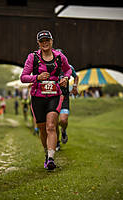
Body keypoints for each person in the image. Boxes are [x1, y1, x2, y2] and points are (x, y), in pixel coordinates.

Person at [20, 30, 72, 170]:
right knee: (42, 129)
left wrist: (65, 78)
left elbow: (68, 70)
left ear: (51, 41)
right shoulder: (33, 57)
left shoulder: (60, 57)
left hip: (55, 95)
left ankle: (50, 158)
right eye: (42, 41)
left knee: (51, 126)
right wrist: (36, 77)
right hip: (37, 96)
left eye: (47, 40)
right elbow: (23, 77)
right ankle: (46, 152)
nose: (45, 43)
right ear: (38, 43)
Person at [55, 50, 79, 151]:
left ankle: (63, 130)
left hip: (64, 97)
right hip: (53, 97)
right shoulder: (50, 67)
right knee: (54, 122)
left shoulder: (68, 67)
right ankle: (56, 142)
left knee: (63, 120)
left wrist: (74, 86)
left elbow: (76, 76)